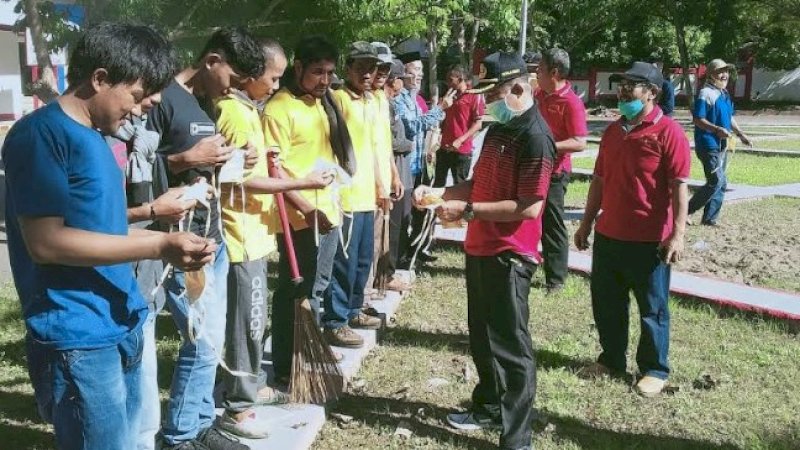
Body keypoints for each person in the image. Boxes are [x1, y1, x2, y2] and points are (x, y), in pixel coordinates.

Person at [3, 23, 216, 450]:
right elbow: (47, 242)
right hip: (78, 334)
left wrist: (153, 209)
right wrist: (159, 244)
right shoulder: (40, 135)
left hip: (121, 316)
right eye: (138, 96)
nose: (142, 109)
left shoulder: (98, 136)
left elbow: (94, 219)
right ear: (99, 79)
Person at [415, 51, 556, 450]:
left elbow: (530, 207)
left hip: (510, 254)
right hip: (480, 247)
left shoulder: (536, 137)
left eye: (492, 92)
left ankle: (517, 437)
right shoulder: (499, 128)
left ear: (517, 88)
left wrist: (468, 210)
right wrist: (440, 193)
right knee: (482, 337)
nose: (487, 102)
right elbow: (478, 182)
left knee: (511, 346)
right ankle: (489, 405)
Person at [146, 27, 266, 450]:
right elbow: (142, 169)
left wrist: (235, 159)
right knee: (202, 339)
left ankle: (199, 422)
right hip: (180, 243)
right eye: (232, 79)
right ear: (212, 60)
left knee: (211, 339)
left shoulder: (208, 104)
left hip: (211, 238)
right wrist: (184, 159)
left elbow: (207, 171)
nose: (233, 90)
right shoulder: (163, 99)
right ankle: (179, 436)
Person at [213, 39, 335, 439]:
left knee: (251, 320)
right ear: (249, 75)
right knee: (248, 322)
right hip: (240, 233)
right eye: (273, 77)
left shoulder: (249, 110)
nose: (275, 85)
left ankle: (239, 387)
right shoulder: (233, 112)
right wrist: (303, 183)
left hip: (256, 232)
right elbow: (239, 181)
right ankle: (239, 406)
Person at [574, 61, 690, 397]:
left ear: (652, 93)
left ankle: (654, 368)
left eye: (632, 86)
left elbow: (679, 185)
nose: (623, 91)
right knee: (607, 303)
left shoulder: (669, 132)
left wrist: (678, 233)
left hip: (649, 239)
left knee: (652, 307)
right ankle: (611, 359)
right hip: (610, 234)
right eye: (621, 85)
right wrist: (586, 223)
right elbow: (598, 180)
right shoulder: (613, 132)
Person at [263, 35, 353, 380]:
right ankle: (288, 366)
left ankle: (309, 351)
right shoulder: (279, 108)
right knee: (294, 291)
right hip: (299, 219)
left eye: (330, 73)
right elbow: (275, 168)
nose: (325, 81)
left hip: (327, 213)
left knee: (317, 286)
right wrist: (306, 208)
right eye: (317, 72)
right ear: (297, 68)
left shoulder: (320, 103)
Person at [325, 41, 385, 345]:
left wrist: (381, 183)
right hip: (345, 197)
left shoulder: (370, 100)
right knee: (343, 263)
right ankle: (335, 319)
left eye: (371, 68)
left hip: (365, 196)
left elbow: (374, 147)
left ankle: (352, 309)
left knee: (363, 260)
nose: (366, 73)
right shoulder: (337, 98)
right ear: (348, 68)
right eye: (360, 66)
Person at [535, 48, 588, 293]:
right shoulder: (538, 94)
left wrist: (547, 146)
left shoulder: (572, 102)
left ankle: (555, 278)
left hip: (555, 173)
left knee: (552, 223)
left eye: (540, 69)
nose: (536, 72)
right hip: (533, 168)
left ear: (554, 72)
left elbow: (579, 141)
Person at [394, 51, 453, 268]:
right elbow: (412, 126)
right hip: (405, 166)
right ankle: (400, 259)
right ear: (403, 74)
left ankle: (415, 251)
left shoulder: (416, 99)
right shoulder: (399, 98)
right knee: (403, 216)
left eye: (420, 70)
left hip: (421, 163)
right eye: (415, 70)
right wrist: (440, 109)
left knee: (420, 210)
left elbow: (424, 125)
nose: (419, 75)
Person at [688, 58, 752, 226]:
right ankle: (685, 212)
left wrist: (741, 134)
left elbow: (729, 118)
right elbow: (698, 119)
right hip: (708, 144)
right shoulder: (705, 93)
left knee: (721, 182)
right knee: (716, 181)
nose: (724, 75)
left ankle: (710, 219)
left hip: (722, 145)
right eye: (720, 72)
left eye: (726, 71)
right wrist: (716, 129)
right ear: (711, 75)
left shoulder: (724, 94)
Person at [366, 42, 405, 296]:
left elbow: (384, 143)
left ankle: (378, 283)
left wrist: (394, 174)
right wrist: (378, 182)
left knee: (382, 237)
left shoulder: (382, 99)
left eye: (386, 68)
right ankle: (364, 293)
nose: (381, 73)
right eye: (377, 67)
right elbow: (363, 146)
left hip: (383, 181)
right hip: (365, 185)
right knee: (366, 244)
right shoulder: (357, 99)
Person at [383, 58, 415, 292]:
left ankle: (388, 272)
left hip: (400, 171)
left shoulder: (391, 103)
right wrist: (409, 144)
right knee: (391, 229)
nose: (402, 85)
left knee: (398, 226)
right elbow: (390, 141)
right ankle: (386, 274)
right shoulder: (383, 104)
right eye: (400, 80)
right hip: (389, 172)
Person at [434, 64, 484, 187]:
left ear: (460, 79)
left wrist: (461, 140)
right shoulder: (449, 96)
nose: (448, 83)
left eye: (451, 80)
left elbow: (478, 124)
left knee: (459, 185)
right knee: (438, 183)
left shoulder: (474, 95)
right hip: (444, 147)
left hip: (461, 150)